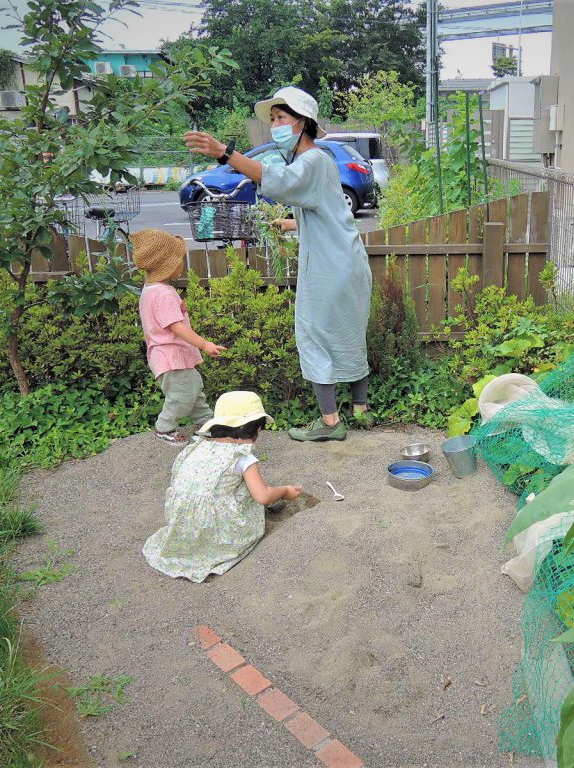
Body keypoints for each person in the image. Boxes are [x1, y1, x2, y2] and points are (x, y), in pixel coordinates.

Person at [184, 86, 374, 443]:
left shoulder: (311, 161)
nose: (275, 125)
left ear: (303, 123)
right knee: (349, 332)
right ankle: (360, 410)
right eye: (272, 119)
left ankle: (330, 423)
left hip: (329, 268)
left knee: (314, 336)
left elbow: (280, 182)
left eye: (281, 118)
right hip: (347, 262)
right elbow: (330, 212)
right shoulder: (321, 162)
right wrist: (293, 223)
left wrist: (226, 153)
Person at [143, 391, 302, 583]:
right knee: (250, 488)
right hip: (215, 525)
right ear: (246, 427)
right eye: (257, 430)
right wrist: (285, 491)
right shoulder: (243, 458)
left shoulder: (197, 447)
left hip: (182, 518)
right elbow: (263, 496)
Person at [132, 229, 226, 446]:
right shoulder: (163, 294)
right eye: (179, 260)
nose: (182, 264)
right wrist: (204, 344)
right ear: (167, 264)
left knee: (194, 389)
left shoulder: (153, 289)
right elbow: (176, 327)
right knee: (182, 395)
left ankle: (206, 422)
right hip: (170, 356)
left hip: (174, 355)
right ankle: (164, 428)